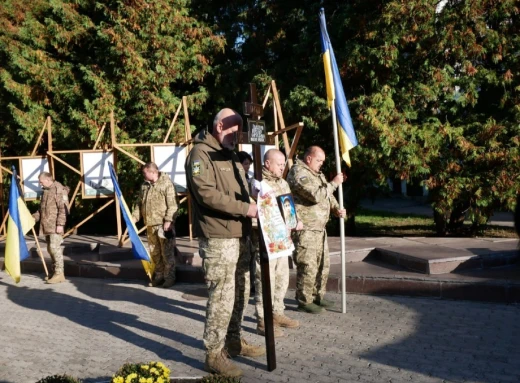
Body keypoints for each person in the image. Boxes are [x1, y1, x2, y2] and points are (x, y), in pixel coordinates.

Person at [185, 108, 264, 377]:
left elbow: (239, 188)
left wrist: (254, 193)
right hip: (219, 238)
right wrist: (246, 209)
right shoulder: (201, 154)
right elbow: (207, 195)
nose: (237, 137)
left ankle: (233, 340)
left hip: (239, 235)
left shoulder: (228, 154)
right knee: (221, 296)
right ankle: (213, 354)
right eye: (233, 131)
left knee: (240, 291)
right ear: (220, 126)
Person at [287, 146, 346, 314]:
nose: (321, 164)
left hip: (319, 229)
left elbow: (328, 194)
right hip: (306, 229)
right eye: (319, 161)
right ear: (309, 159)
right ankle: (305, 300)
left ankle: (317, 295)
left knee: (322, 265)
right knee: (308, 265)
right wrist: (334, 183)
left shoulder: (316, 174)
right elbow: (316, 195)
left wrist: (337, 208)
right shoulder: (299, 173)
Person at [253, 149, 302, 337]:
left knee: (282, 277)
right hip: (266, 241)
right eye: (279, 164)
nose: (283, 167)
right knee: (266, 280)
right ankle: (263, 320)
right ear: (267, 164)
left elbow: (288, 206)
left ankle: (277, 313)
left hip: (283, 240)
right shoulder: (258, 184)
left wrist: (293, 222)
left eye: (284, 164)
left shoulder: (282, 182)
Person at [132, 162, 178, 288]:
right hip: (150, 224)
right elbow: (139, 203)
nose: (143, 175)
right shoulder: (145, 186)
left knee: (167, 253)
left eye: (144, 172)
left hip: (163, 225)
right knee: (155, 253)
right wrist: (135, 217)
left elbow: (173, 205)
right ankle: (159, 276)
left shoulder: (166, 184)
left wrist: (168, 220)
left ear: (152, 172)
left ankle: (169, 278)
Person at [33, 172, 68, 284]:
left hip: (55, 226)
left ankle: (59, 274)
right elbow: (41, 210)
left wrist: (60, 225)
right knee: (50, 249)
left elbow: (63, 209)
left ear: (48, 179)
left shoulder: (58, 189)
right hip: (47, 225)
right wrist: (33, 218)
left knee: (54, 248)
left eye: (41, 182)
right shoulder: (46, 191)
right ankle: (54, 273)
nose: (40, 184)